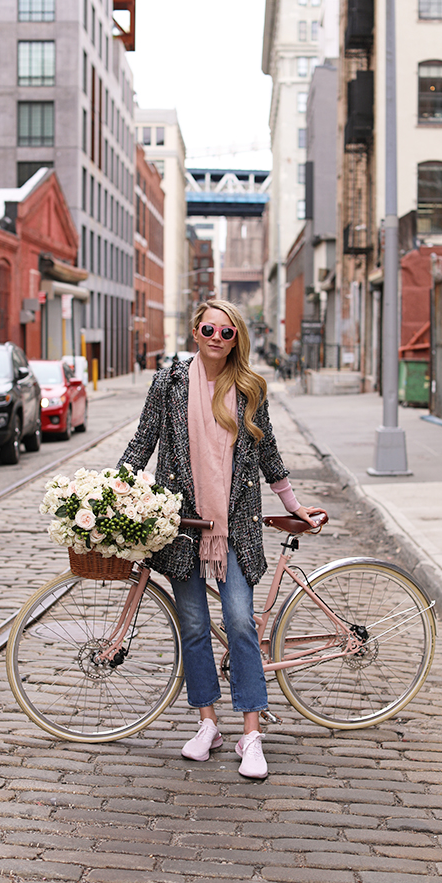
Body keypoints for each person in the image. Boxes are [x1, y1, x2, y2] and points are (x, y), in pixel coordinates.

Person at [118, 300, 325, 779]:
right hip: (183, 524)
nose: (216, 336)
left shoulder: (250, 388)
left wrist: (293, 505)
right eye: (209, 328)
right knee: (192, 627)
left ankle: (251, 734)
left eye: (227, 332)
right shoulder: (169, 383)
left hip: (235, 525)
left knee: (239, 622)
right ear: (195, 331)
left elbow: (268, 451)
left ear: (236, 339)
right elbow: (143, 439)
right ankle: (207, 723)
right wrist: (116, 488)